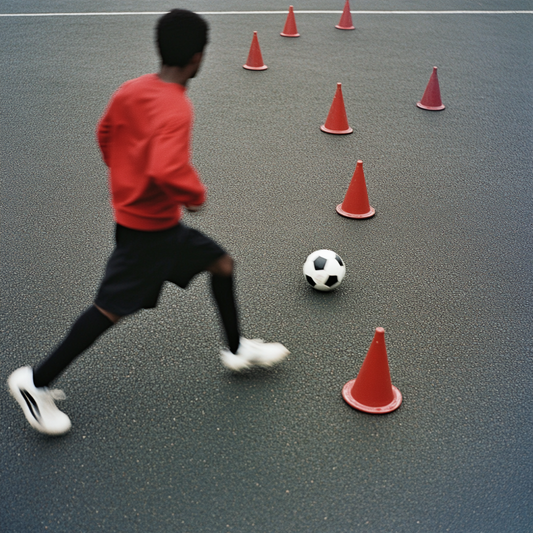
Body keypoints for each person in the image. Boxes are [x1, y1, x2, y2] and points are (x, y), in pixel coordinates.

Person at [8, 9, 289, 436]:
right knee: (108, 310)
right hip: (148, 233)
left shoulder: (132, 89)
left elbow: (105, 133)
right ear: (198, 58)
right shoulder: (177, 107)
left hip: (156, 226)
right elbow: (166, 168)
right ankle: (36, 381)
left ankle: (235, 348)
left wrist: (124, 177)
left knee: (222, 264)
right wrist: (194, 195)